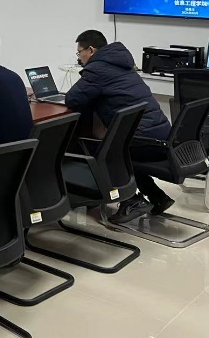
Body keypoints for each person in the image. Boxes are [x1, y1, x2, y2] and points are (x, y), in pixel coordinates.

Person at [66, 30, 173, 223]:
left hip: (144, 139)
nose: (79, 58)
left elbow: (72, 99)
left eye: (79, 52)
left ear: (90, 50)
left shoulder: (97, 69)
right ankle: (157, 196)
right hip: (162, 135)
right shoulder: (123, 64)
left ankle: (131, 200)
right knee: (117, 146)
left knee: (100, 151)